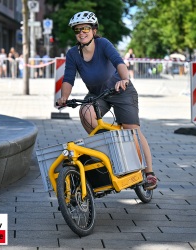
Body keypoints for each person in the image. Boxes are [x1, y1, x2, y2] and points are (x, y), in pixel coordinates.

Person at [57, 11, 157, 190]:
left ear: (94, 30)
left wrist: (124, 79)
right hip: (98, 94)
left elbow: (119, 62)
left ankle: (149, 173)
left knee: (131, 129)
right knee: (86, 113)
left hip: (121, 90)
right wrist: (63, 97)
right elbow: (68, 78)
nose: (82, 32)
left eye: (86, 28)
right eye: (77, 30)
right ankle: (111, 153)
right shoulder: (73, 53)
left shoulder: (103, 44)